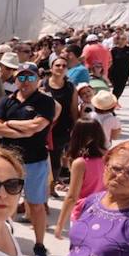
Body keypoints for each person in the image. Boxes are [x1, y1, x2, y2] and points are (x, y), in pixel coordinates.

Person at [0, 62, 58, 256]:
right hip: (8, 163)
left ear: (38, 79)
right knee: (3, 204)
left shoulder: (45, 102)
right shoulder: (7, 100)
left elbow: (38, 126)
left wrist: (8, 124)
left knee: (36, 205)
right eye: (21, 77)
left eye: (30, 77)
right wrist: (22, 130)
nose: (25, 81)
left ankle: (39, 245)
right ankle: (0, 241)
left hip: (34, 161)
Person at [53, 118, 106, 239]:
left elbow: (72, 197)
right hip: (103, 211)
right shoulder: (108, 156)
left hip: (83, 212)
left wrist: (60, 225)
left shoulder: (80, 163)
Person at [42, 55, 79, 198]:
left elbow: (74, 109)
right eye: (58, 65)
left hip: (62, 128)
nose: (61, 68)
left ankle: (51, 186)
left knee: (56, 158)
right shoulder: (43, 84)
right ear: (51, 68)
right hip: (43, 127)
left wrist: (76, 128)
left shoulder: (70, 87)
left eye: (64, 66)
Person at [107, 32, 129, 99]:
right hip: (114, 72)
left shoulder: (128, 49)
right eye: (121, 39)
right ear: (118, 40)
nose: (123, 41)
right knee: (116, 87)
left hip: (125, 72)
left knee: (121, 88)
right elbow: (109, 61)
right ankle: (114, 101)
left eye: (124, 39)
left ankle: (114, 100)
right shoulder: (113, 50)